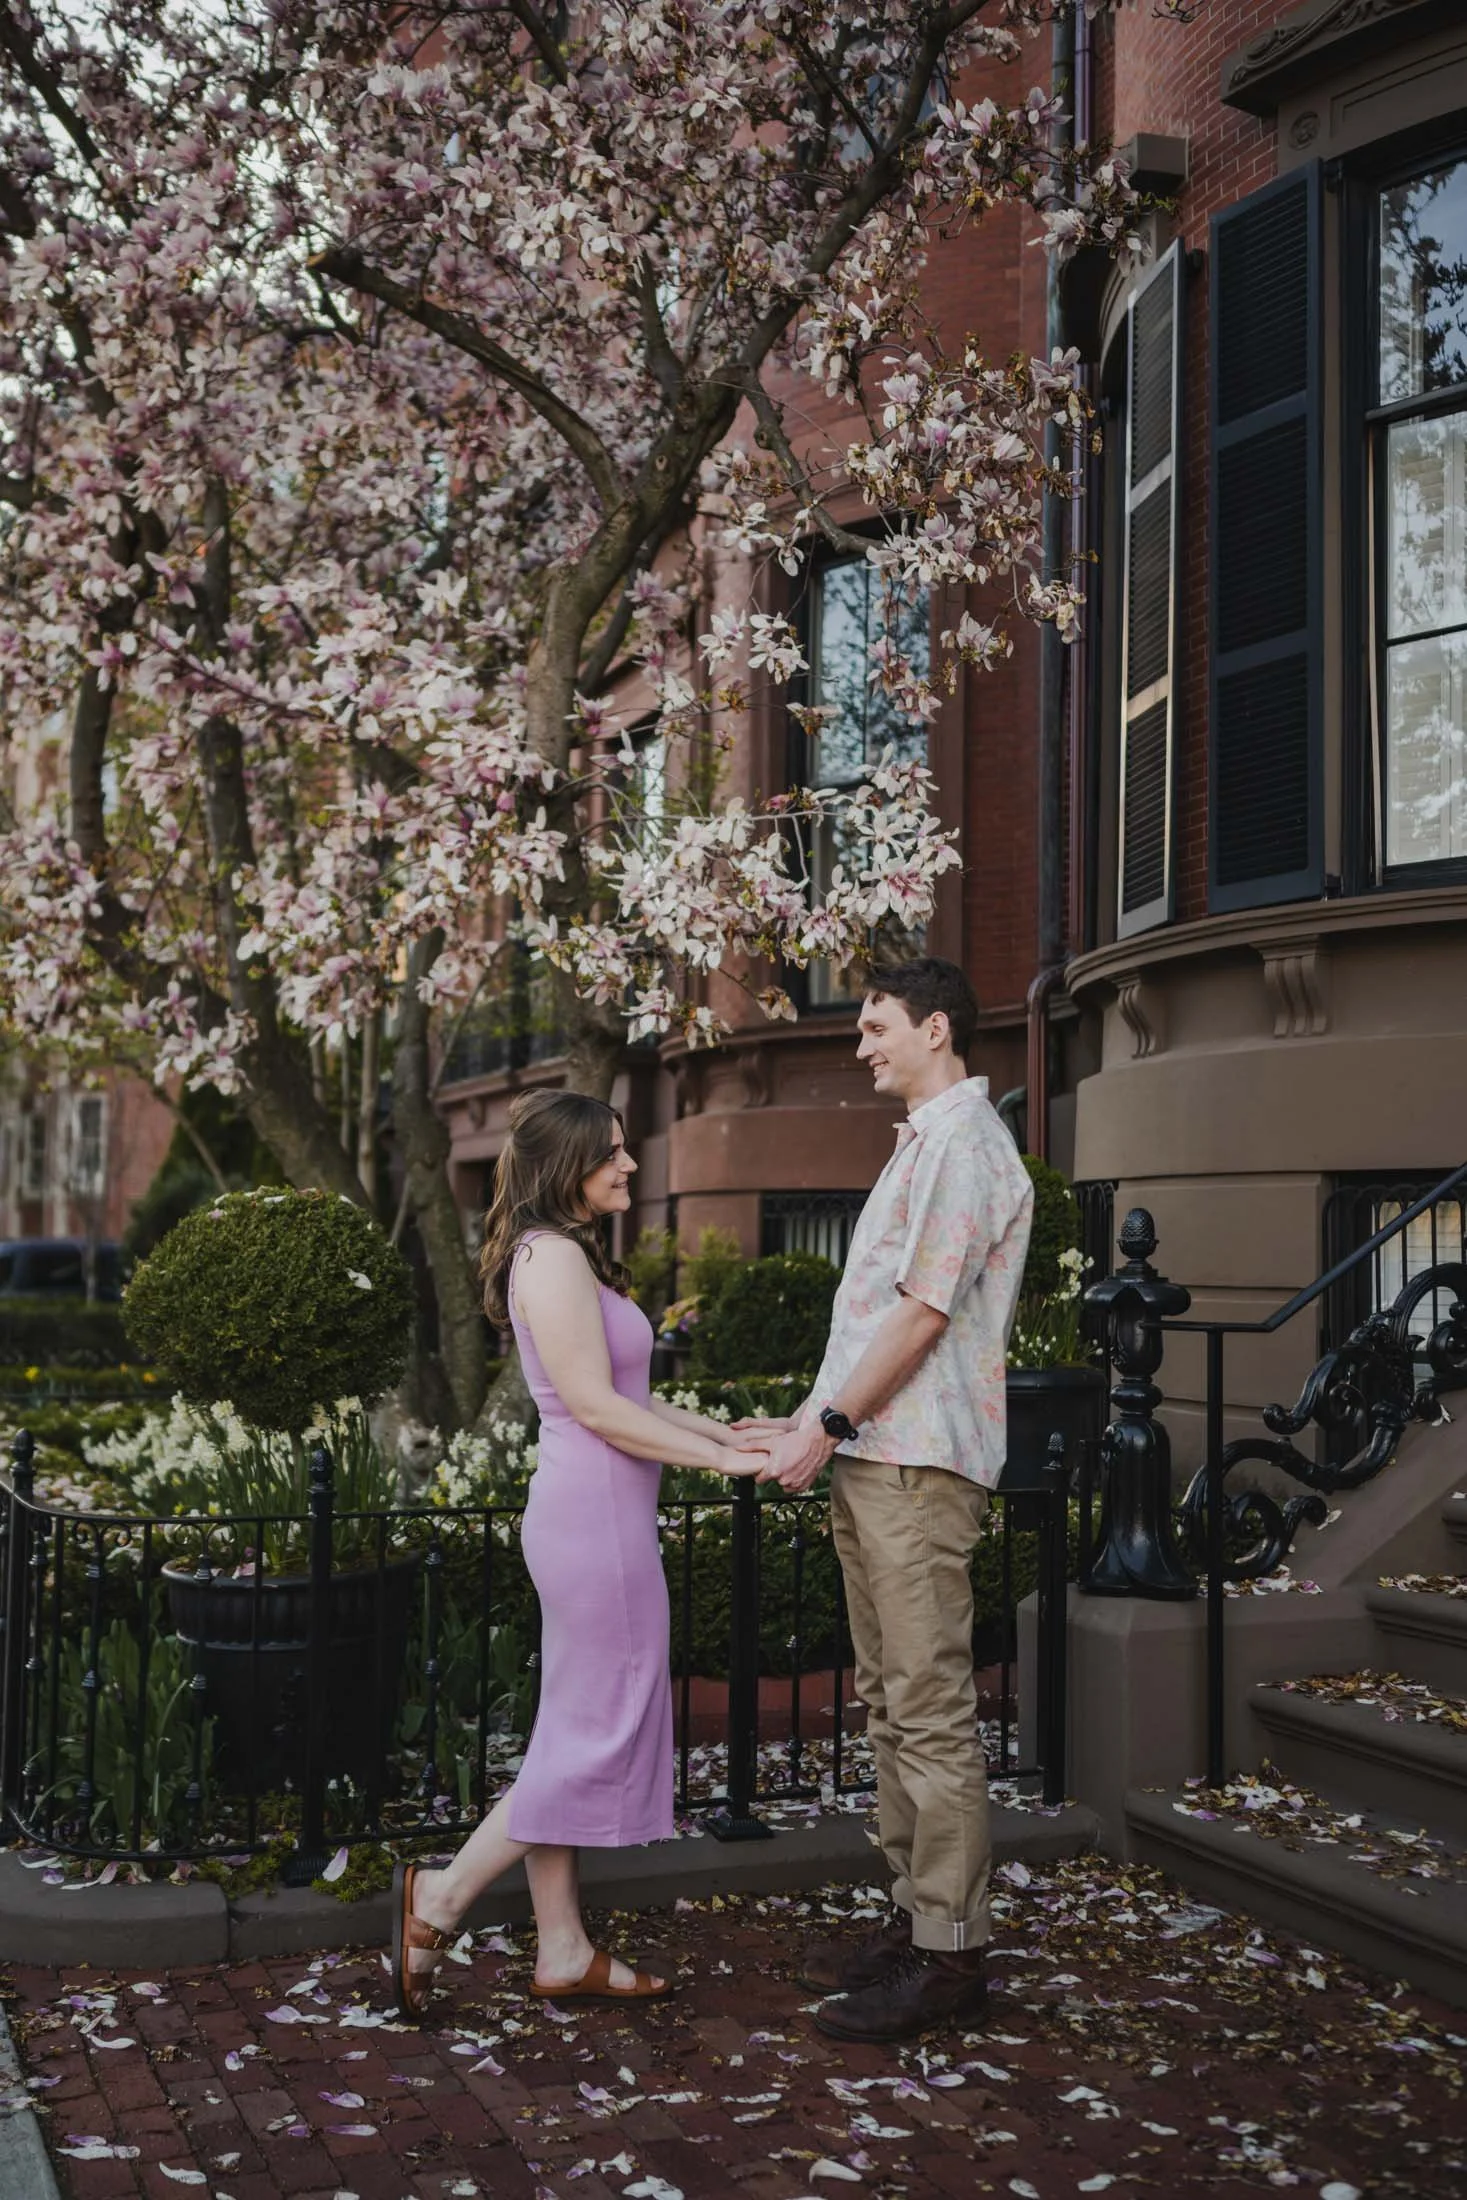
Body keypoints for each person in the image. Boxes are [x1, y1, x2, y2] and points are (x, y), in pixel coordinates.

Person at [388, 1089, 769, 2020]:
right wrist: (719, 1461)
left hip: (596, 1517)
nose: (630, 1165)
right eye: (611, 1153)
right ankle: (438, 1899)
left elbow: (630, 1398)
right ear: (565, 1165)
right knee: (596, 1733)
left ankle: (562, 1948)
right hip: (594, 1525)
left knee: (569, 1731)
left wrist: (729, 1434)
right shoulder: (551, 1258)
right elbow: (597, 1412)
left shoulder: (570, 1258)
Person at [740, 957, 1033, 2042]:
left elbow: (919, 1317)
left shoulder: (963, 1143)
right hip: (879, 1455)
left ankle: (952, 1958)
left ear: (937, 1027)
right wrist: (805, 1416)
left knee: (928, 1712)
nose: (860, 1044)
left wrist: (825, 1426)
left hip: (913, 1463)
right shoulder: (924, 1143)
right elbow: (871, 1320)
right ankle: (918, 1924)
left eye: (875, 1026)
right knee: (893, 1706)